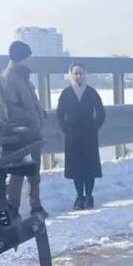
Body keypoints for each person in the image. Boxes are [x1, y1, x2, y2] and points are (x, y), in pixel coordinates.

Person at [0, 40, 47, 218]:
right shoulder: (10, 77)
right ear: (21, 58)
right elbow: (10, 107)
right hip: (20, 134)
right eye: (28, 57)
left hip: (32, 133)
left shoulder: (23, 77)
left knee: (34, 172)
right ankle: (13, 209)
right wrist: (29, 119)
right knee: (19, 172)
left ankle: (36, 205)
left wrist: (39, 114)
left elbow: (29, 103)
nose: (31, 60)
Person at [56, 63, 106, 210]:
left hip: (89, 136)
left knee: (89, 167)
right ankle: (79, 196)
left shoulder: (91, 92)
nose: (79, 76)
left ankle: (89, 195)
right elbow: (60, 114)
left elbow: (101, 113)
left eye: (81, 73)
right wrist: (65, 128)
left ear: (85, 74)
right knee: (76, 168)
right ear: (71, 75)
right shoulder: (66, 93)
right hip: (72, 137)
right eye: (76, 73)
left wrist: (94, 127)